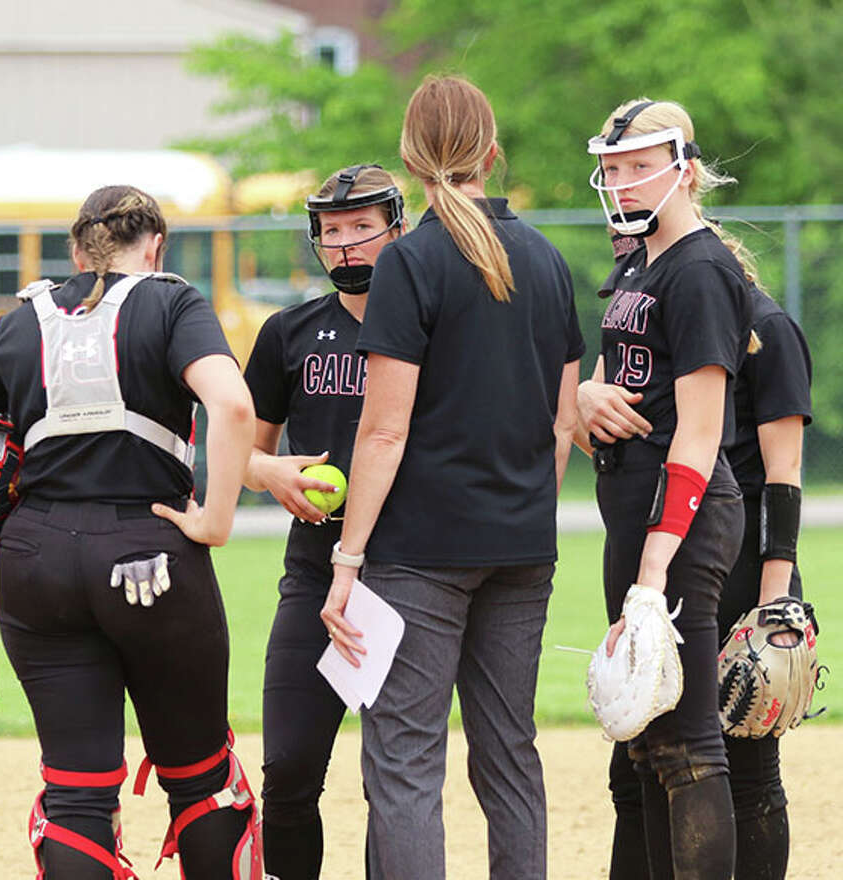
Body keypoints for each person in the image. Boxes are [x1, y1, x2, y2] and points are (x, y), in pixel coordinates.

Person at [0, 185, 261, 879]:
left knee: (76, 795)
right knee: (201, 779)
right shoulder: (171, 300)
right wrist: (214, 521)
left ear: (76, 251)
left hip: (36, 564)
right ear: (154, 247)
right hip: (149, 553)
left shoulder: (24, 317)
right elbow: (233, 407)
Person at [319, 75, 584, 879]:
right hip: (523, 544)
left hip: (421, 551)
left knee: (404, 762)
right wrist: (525, 502)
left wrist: (347, 558)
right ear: (492, 154)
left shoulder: (412, 262)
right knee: (510, 758)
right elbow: (562, 424)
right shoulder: (545, 260)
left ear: (410, 162)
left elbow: (385, 427)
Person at [581, 242, 812, 878]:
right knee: (639, 763)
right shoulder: (664, 336)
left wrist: (774, 601)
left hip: (740, 557)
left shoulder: (768, 330)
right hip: (671, 543)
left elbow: (783, 473)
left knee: (748, 764)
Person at [575, 98, 756, 879]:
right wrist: (586, 393)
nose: (621, 182)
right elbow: (622, 387)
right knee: (646, 749)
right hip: (635, 512)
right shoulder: (639, 262)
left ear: (683, 168)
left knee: (687, 745)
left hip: (678, 520)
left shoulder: (702, 267)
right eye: (613, 168)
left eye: (638, 166)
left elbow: (700, 430)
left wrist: (654, 575)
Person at [242, 165, 404, 879]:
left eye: (361, 227)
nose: (344, 245)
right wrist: (267, 471)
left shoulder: (432, 330)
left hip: (408, 574)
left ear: (397, 228)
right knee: (290, 767)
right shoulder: (290, 332)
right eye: (331, 231)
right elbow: (241, 452)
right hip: (312, 572)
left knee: (394, 782)